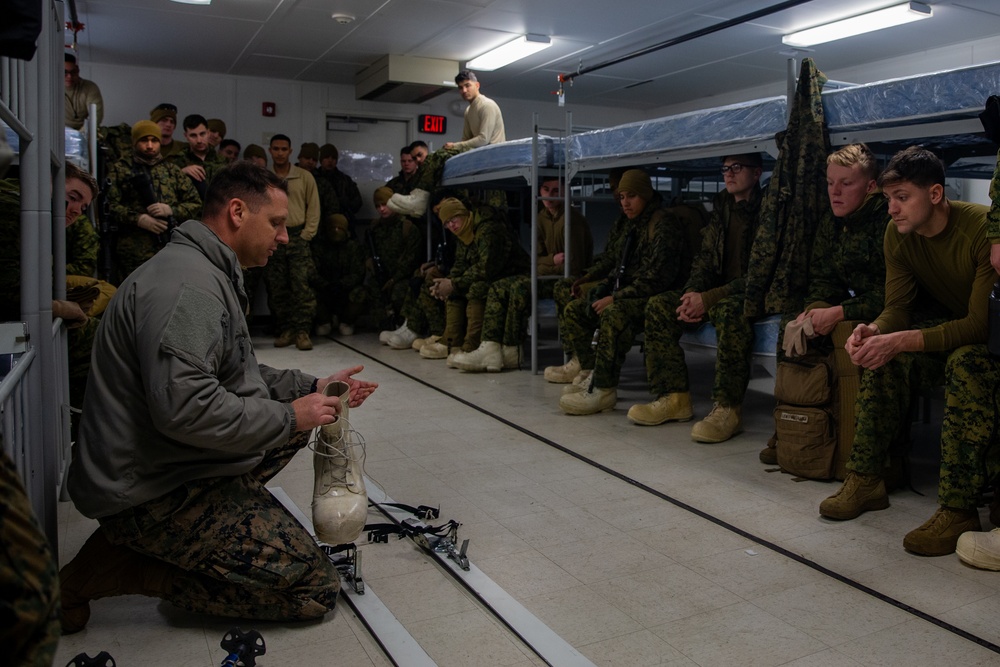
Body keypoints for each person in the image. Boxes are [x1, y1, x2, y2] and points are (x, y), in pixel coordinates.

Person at [61, 161, 378, 634]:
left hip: (161, 464)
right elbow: (187, 408)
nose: (284, 237)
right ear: (236, 212)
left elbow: (236, 371)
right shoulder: (190, 287)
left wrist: (308, 390)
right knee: (313, 589)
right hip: (149, 491)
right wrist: (290, 417)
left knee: (296, 420)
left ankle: (208, 524)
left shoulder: (204, 269)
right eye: (275, 223)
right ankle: (133, 567)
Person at [817, 146, 997, 557]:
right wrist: (875, 330)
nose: (892, 209)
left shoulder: (981, 229)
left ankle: (958, 509)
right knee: (884, 357)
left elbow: (979, 325)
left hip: (991, 338)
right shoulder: (897, 234)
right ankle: (867, 478)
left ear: (935, 195)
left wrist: (899, 338)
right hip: (953, 329)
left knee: (966, 363)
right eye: (889, 199)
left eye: (902, 198)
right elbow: (897, 307)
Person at [760, 144, 888, 464]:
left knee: (847, 333)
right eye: (830, 183)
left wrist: (840, 311)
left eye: (846, 183)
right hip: (851, 303)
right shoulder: (831, 222)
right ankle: (792, 429)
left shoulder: (887, 224)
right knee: (795, 324)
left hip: (886, 312)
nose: (835, 192)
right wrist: (815, 307)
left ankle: (847, 447)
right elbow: (822, 279)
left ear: (871, 186)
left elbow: (893, 294)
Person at [626, 154, 763, 439]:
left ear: (757, 173)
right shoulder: (722, 206)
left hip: (751, 294)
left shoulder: (767, 212)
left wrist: (709, 299)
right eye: (725, 168)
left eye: (737, 167)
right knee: (660, 306)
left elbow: (761, 277)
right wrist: (692, 292)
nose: (728, 174)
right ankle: (674, 397)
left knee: (729, 313)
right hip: (717, 292)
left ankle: (728, 409)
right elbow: (704, 259)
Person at [555, 170, 688, 415]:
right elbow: (620, 266)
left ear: (646, 196)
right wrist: (600, 288)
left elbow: (658, 278)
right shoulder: (633, 224)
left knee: (614, 313)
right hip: (633, 293)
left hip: (656, 296)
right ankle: (590, 371)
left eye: (632, 196)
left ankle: (603, 389)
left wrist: (616, 297)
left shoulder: (663, 224)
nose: (625, 203)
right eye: (622, 197)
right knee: (576, 309)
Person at [451, 176, 593, 372]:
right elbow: (534, 259)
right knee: (499, 286)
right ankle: (493, 347)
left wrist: (543, 263)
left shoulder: (573, 221)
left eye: (555, 191)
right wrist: (551, 260)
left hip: (567, 278)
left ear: (565, 193)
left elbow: (572, 265)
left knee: (518, 288)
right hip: (546, 273)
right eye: (545, 190)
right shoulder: (541, 216)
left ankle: (513, 350)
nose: (550, 196)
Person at [417, 197, 528, 361]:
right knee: (455, 285)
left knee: (475, 287)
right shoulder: (464, 232)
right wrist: (447, 283)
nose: (451, 226)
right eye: (447, 223)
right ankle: (451, 342)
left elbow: (487, 267)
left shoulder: (487, 229)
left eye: (453, 219)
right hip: (490, 273)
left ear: (463, 214)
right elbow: (461, 263)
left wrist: (454, 284)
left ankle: (471, 346)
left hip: (511, 273)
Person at [388, 71, 506, 219]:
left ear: (477, 85)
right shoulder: (469, 110)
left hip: (489, 154)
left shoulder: (487, 105)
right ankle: (419, 196)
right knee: (440, 155)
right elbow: (466, 139)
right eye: (460, 87)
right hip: (477, 153)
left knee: (439, 155)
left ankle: (420, 197)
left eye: (467, 86)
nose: (464, 90)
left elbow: (483, 139)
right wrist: (456, 147)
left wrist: (456, 146)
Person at [107, 120, 201, 283]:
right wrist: (138, 219)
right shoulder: (120, 169)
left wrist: (171, 210)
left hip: (169, 248)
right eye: (144, 140)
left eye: (154, 140)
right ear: (135, 142)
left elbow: (195, 204)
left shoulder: (172, 170)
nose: (150, 145)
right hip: (133, 253)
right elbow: (110, 206)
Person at [265, 133, 320, 350]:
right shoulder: (264, 177)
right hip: (271, 236)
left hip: (298, 236)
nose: (279, 153)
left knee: (302, 286)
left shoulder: (304, 177)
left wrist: (307, 234)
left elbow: (313, 207)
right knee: (277, 287)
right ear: (270, 150)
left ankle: (302, 331)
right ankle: (286, 329)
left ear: (290, 151)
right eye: (275, 149)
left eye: (283, 149)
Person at [361, 186, 423, 332]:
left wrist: (394, 279)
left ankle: (403, 324)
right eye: (378, 206)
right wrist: (369, 261)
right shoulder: (374, 229)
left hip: (401, 277)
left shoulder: (407, 228)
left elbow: (411, 259)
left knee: (399, 292)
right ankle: (384, 323)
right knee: (372, 289)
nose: (382, 209)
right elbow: (366, 249)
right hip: (382, 275)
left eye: (385, 205)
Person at [311, 213, 366, 337]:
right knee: (308, 293)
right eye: (332, 228)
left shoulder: (353, 247)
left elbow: (358, 272)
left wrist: (342, 284)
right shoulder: (319, 247)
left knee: (360, 293)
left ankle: (346, 322)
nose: (336, 231)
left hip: (345, 290)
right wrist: (325, 285)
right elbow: (312, 271)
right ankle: (324, 321)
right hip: (324, 290)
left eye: (339, 228)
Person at [169, 114, 227, 200]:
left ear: (208, 133)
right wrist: (182, 172)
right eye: (193, 135)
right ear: (186, 136)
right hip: (188, 211)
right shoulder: (177, 160)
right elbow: (166, 188)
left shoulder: (223, 161)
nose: (199, 140)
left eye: (202, 134)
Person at [315, 143, 363, 225]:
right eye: (326, 157)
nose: (330, 161)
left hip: (341, 222)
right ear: (321, 160)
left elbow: (357, 202)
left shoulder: (345, 180)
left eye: (333, 158)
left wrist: (345, 206)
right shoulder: (314, 178)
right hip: (318, 222)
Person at [64, 52, 103, 130]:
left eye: (73, 72)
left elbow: (96, 116)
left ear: (78, 70)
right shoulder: (50, 90)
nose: (69, 76)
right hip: (58, 134)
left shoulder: (90, 87)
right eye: (64, 72)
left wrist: (79, 137)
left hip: (85, 134)